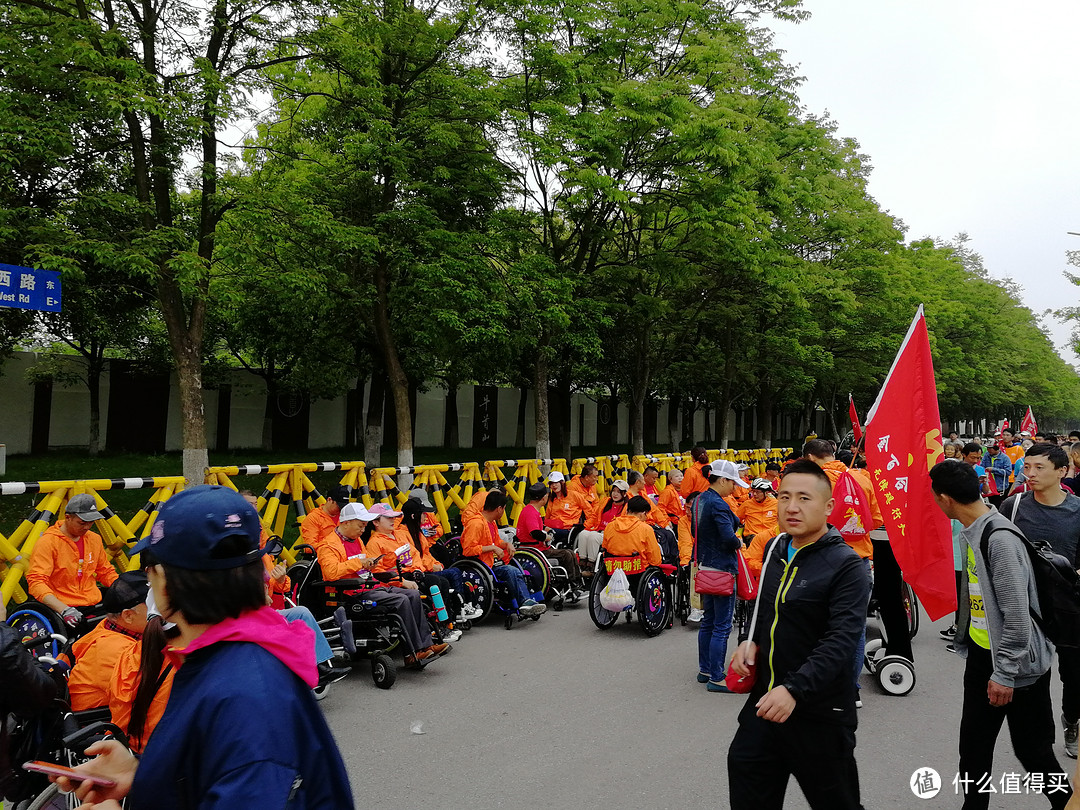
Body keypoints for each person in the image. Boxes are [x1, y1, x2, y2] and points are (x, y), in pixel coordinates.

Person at [57, 485, 355, 809]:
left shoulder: (246, 694)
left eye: (151, 566)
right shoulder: (224, 657)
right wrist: (142, 773)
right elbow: (215, 767)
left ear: (167, 581)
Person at [727, 460, 871, 810]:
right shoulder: (777, 546)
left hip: (819, 715)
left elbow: (840, 641)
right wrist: (749, 639)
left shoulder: (848, 566)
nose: (791, 507)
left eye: (804, 498)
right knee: (747, 782)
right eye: (784, 497)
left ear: (828, 506)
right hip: (764, 706)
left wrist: (794, 690)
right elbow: (764, 606)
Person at [929, 460, 1072, 810]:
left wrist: (1005, 672)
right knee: (974, 750)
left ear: (945, 499)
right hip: (984, 657)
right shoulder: (976, 529)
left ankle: (1068, 803)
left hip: (1017, 666)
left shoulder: (999, 538)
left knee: (1034, 753)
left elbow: (1018, 617)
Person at [1001, 443, 1080, 760]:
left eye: (1039, 468)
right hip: (1026, 608)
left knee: (1074, 677)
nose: (1030, 473)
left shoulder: (1078, 511)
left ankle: (1071, 719)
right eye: (1027, 466)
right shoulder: (1013, 506)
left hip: (1069, 607)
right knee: (1033, 678)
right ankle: (1041, 742)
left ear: (1062, 472)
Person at [314, 501, 449, 668]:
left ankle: (426, 645)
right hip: (350, 593)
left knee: (413, 595)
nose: (363, 530)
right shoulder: (328, 545)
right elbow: (330, 572)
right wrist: (360, 563)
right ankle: (412, 652)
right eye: (360, 526)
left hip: (369, 585)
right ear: (346, 522)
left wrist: (370, 566)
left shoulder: (356, 540)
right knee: (401, 600)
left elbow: (366, 566)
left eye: (364, 526)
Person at [364, 502, 462, 641]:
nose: (393, 520)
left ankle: (447, 624)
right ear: (375, 522)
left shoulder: (398, 535)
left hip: (412, 573)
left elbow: (414, 554)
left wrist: (417, 569)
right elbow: (379, 572)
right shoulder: (374, 543)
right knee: (434, 582)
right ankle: (438, 628)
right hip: (397, 579)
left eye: (393, 517)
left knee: (443, 582)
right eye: (388, 518)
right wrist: (402, 581)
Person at [691, 460, 747, 693]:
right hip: (722, 568)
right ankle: (717, 676)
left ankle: (705, 670)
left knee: (708, 621)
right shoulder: (719, 505)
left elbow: (696, 531)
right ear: (722, 480)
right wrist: (739, 541)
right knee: (722, 626)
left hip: (704, 566)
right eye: (733, 482)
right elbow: (728, 537)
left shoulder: (699, 500)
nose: (735, 488)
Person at [26, 493, 119, 629]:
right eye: (82, 523)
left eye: (91, 522)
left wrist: (125, 590)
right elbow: (36, 582)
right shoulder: (48, 542)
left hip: (93, 604)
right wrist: (64, 609)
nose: (87, 527)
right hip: (61, 607)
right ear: (67, 517)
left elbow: (105, 571)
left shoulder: (94, 539)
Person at [67, 572, 150, 712]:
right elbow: (154, 695)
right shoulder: (116, 651)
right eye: (154, 605)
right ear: (128, 615)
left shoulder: (110, 627)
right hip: (99, 726)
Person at [462, 490, 546, 617]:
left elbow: (496, 541)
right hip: (481, 565)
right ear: (499, 509)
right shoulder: (476, 524)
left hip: (492, 562)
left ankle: (530, 599)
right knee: (510, 571)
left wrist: (507, 544)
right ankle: (524, 601)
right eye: (504, 509)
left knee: (517, 569)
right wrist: (492, 548)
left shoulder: (491, 522)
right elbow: (468, 550)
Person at [516, 482, 584, 599]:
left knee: (570, 553)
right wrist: (547, 537)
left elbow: (536, 527)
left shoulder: (531, 510)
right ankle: (572, 585)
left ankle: (576, 584)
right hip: (534, 549)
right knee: (566, 554)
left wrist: (545, 528)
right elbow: (535, 533)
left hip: (537, 548)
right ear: (544, 498)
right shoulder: (531, 512)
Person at [601, 495, 663, 567]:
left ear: (627, 511)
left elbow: (605, 550)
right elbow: (655, 560)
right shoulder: (646, 529)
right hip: (637, 570)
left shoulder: (610, 526)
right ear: (643, 513)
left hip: (612, 568)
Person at [739, 479, 780, 579]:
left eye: (757, 492)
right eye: (753, 491)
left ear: (766, 493)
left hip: (771, 539)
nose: (754, 494)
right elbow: (736, 520)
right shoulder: (747, 505)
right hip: (752, 539)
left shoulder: (776, 504)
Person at [299, 484, 349, 548]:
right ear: (329, 500)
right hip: (325, 554)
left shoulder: (345, 515)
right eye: (339, 506)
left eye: (344, 507)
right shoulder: (313, 518)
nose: (341, 510)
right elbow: (310, 547)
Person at [982, 442, 1014, 506]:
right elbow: (982, 466)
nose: (988, 450)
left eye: (990, 449)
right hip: (989, 486)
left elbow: (1008, 472)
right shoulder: (986, 456)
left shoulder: (1005, 458)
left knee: (999, 505)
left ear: (996, 448)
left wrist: (993, 470)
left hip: (1000, 487)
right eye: (987, 448)